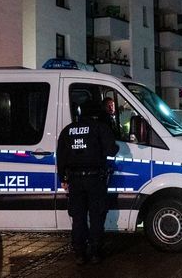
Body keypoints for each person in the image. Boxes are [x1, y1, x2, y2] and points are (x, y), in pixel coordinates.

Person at [57, 101, 119, 265]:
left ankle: (79, 253)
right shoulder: (99, 128)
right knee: (96, 216)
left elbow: (61, 156)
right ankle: (95, 253)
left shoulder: (68, 130)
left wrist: (62, 178)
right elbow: (111, 150)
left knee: (78, 218)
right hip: (94, 180)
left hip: (75, 180)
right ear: (96, 113)